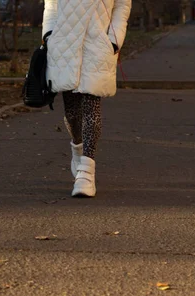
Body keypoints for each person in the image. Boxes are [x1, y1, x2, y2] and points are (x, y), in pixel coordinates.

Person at [42, 0, 131, 197]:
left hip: (97, 43)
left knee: (91, 105)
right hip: (65, 43)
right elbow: (51, 5)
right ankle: (77, 147)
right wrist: (48, 34)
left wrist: (114, 39)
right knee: (72, 112)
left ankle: (86, 172)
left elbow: (122, 6)